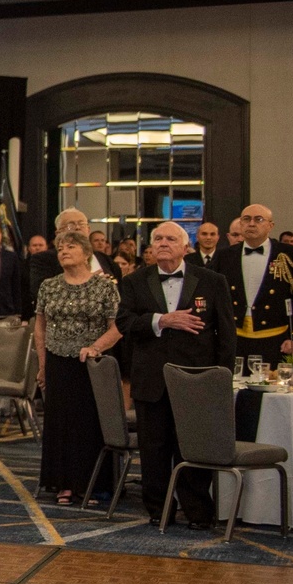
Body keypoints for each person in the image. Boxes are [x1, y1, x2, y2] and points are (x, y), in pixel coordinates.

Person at [116, 221, 236, 528]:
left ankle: (198, 511)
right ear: (151, 247)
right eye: (158, 239)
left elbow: (226, 335)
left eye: (171, 238)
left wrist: (221, 379)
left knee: (194, 447)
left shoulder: (212, 280)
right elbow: (125, 323)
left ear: (186, 247)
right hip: (151, 379)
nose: (163, 243)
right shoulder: (134, 281)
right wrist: (162, 320)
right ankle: (159, 509)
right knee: (154, 449)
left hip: (197, 379)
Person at [32, 230, 123, 507]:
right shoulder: (49, 286)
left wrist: (97, 348)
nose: (63, 251)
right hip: (57, 361)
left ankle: (92, 484)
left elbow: (117, 327)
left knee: (89, 424)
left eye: (70, 247)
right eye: (60, 247)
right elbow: (40, 327)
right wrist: (43, 364)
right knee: (60, 423)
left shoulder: (105, 287)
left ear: (87, 254)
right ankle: (64, 484)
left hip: (92, 365)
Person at [212, 203, 293, 363]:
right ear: (240, 224)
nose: (251, 224)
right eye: (246, 219)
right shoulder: (223, 256)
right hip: (234, 340)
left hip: (277, 340)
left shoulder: (291, 255)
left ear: (270, 226)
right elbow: (213, 298)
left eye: (258, 219)